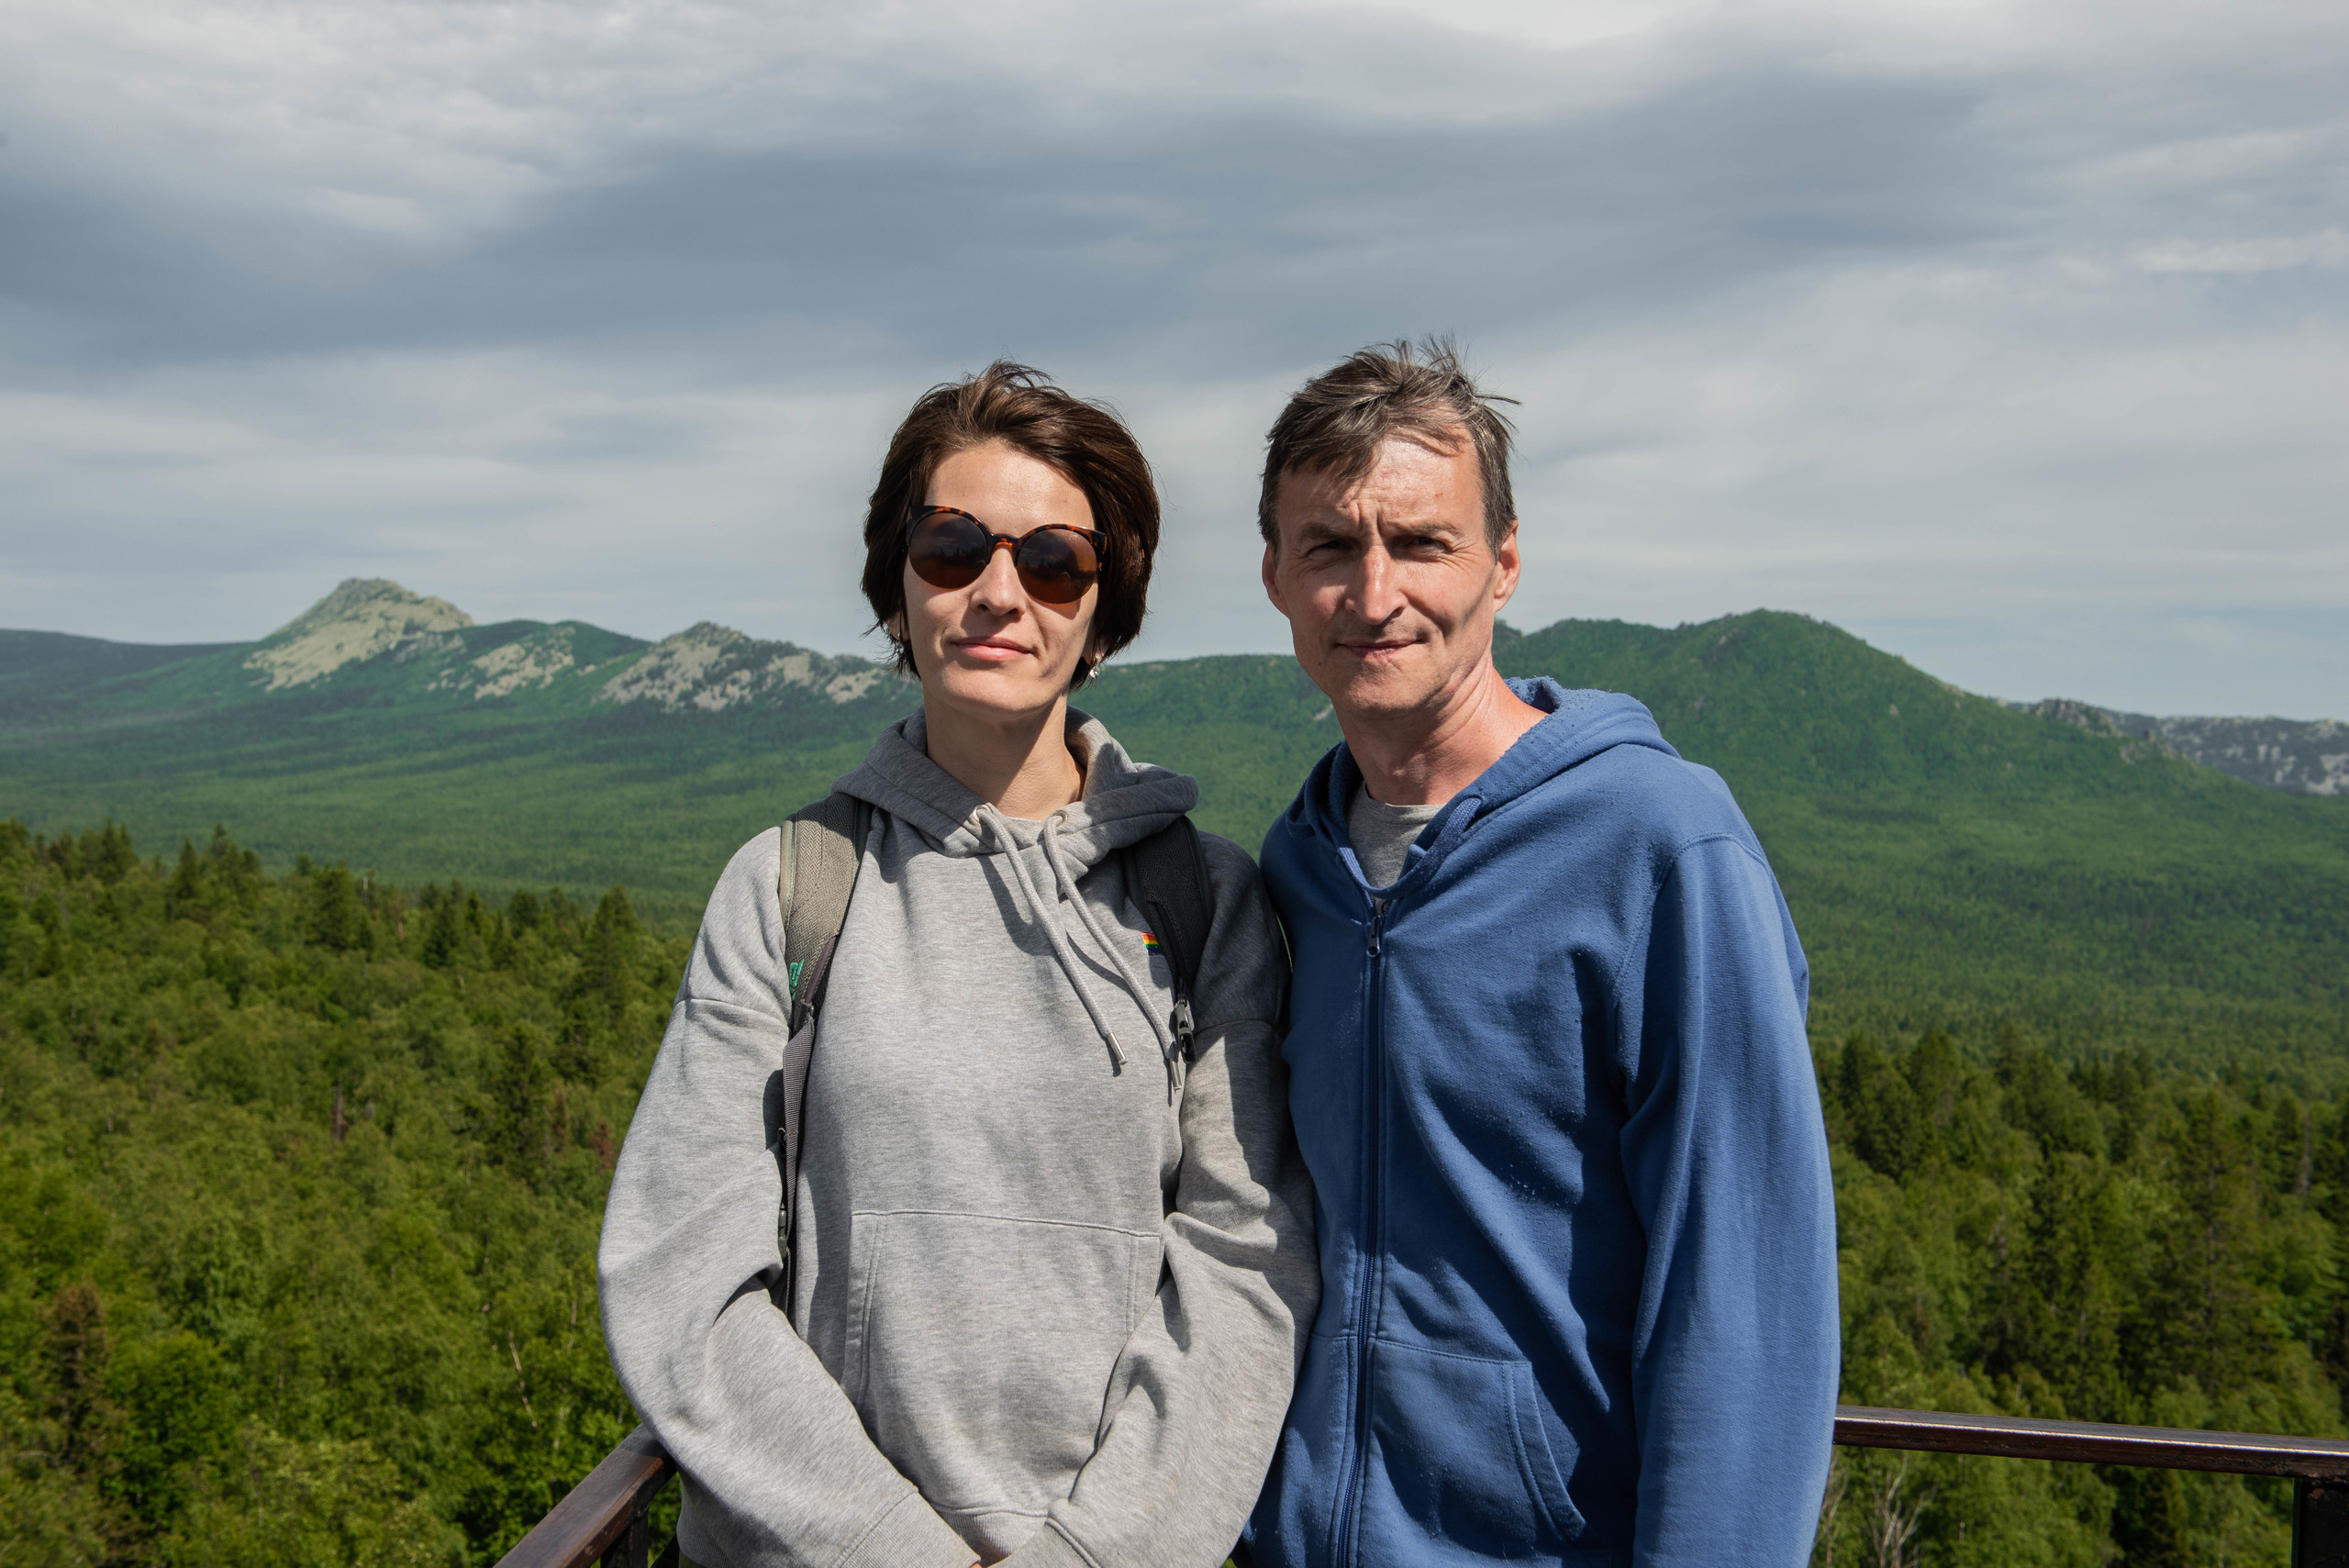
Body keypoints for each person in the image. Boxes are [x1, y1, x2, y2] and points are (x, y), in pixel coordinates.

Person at [599, 362, 1319, 1568]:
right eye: (950, 547)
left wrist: (1091, 1556)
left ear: (1104, 607)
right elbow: (687, 1282)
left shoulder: (1203, 902)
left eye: (1052, 562)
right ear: (898, 590)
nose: (999, 592)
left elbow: (1247, 1262)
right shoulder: (787, 889)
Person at [1241, 341, 1838, 1567]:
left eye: (1420, 541)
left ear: (1503, 562)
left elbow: (1746, 1303)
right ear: (1275, 577)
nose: (1374, 590)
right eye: (1330, 547)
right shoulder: (1299, 868)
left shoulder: (1661, 848)